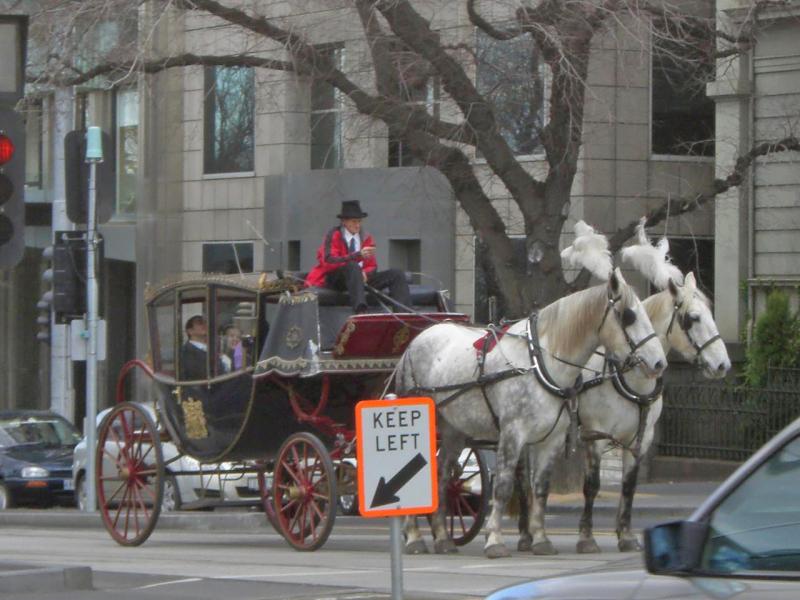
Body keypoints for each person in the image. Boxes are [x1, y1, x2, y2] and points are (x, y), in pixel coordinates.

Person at [305, 200, 412, 313]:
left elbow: (372, 266)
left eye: (359, 221)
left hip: (361, 278)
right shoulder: (334, 235)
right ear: (344, 222)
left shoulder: (366, 237)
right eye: (354, 221)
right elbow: (329, 261)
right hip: (339, 279)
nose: (358, 225)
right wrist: (357, 255)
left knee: (397, 274)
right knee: (353, 266)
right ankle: (360, 310)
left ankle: (405, 314)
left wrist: (366, 274)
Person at [180, 315, 210, 380]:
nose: (204, 325)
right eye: (200, 323)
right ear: (190, 331)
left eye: (205, 322)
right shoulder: (186, 351)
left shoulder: (211, 348)